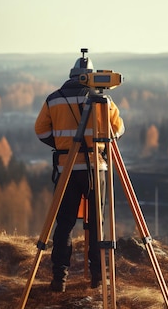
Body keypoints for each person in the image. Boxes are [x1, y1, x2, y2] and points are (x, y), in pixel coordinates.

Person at [34, 50, 125, 292]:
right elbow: (117, 131)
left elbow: (41, 130)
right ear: (91, 76)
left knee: (64, 224)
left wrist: (64, 147)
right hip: (96, 169)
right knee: (97, 223)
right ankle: (97, 276)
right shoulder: (102, 101)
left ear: (71, 75)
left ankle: (59, 278)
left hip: (68, 170)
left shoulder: (54, 99)